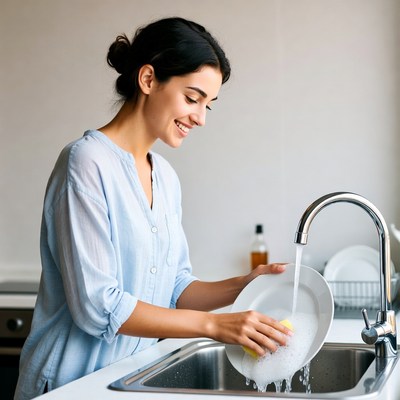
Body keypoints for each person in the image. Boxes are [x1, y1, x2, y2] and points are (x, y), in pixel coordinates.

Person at [14, 17, 292, 400]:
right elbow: (98, 306)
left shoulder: (165, 176)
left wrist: (247, 283)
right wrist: (214, 326)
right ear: (148, 80)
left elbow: (175, 288)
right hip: (69, 384)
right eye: (192, 98)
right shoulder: (86, 161)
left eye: (209, 105)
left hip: (125, 379)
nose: (201, 117)